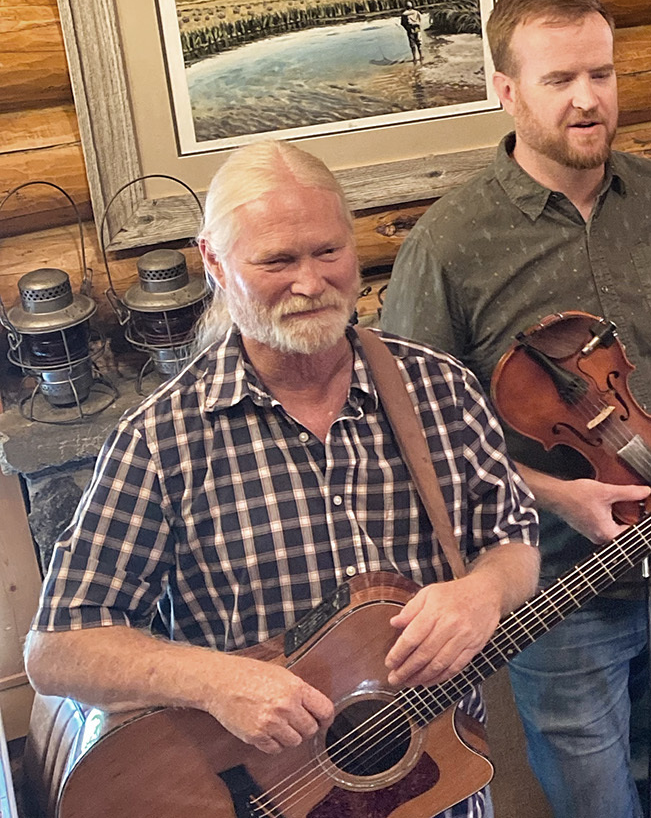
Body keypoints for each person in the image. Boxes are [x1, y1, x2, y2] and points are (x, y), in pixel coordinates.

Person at [23, 140, 542, 818]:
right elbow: (57, 649)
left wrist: (483, 591)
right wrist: (214, 681)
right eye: (277, 260)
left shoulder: (439, 388)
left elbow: (516, 539)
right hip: (272, 796)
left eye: (328, 252)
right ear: (215, 262)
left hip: (436, 785)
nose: (310, 282)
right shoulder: (163, 440)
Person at [381, 0, 651, 818]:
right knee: (597, 805)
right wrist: (555, 494)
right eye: (559, 80)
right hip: (558, 586)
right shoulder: (449, 244)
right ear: (505, 90)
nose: (589, 100)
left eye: (603, 73)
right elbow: (414, 430)